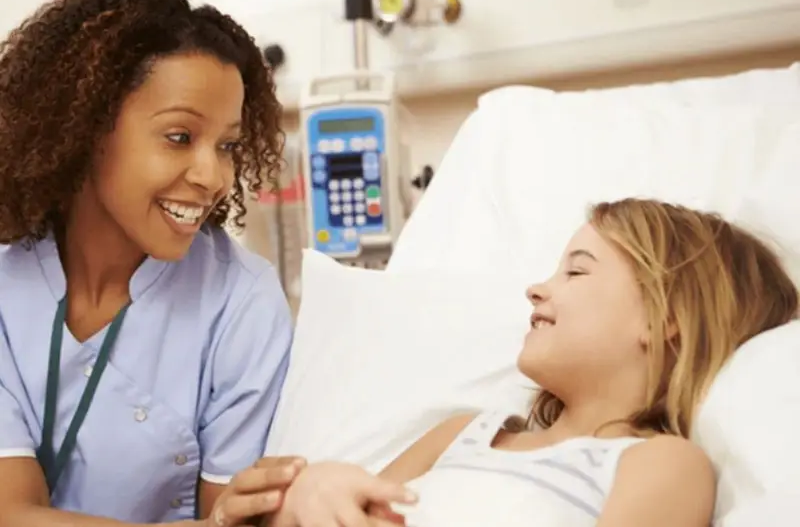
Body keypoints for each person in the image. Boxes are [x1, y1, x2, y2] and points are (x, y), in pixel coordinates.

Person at [265, 198, 799, 527]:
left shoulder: (660, 464)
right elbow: (347, 508)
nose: (537, 289)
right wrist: (315, 492)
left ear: (664, 319)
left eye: (577, 272)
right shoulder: (460, 435)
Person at [0, 0, 307, 525]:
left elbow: (232, 516)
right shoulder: (7, 291)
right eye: (179, 137)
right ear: (88, 128)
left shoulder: (242, 303)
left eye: (228, 146)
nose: (213, 176)